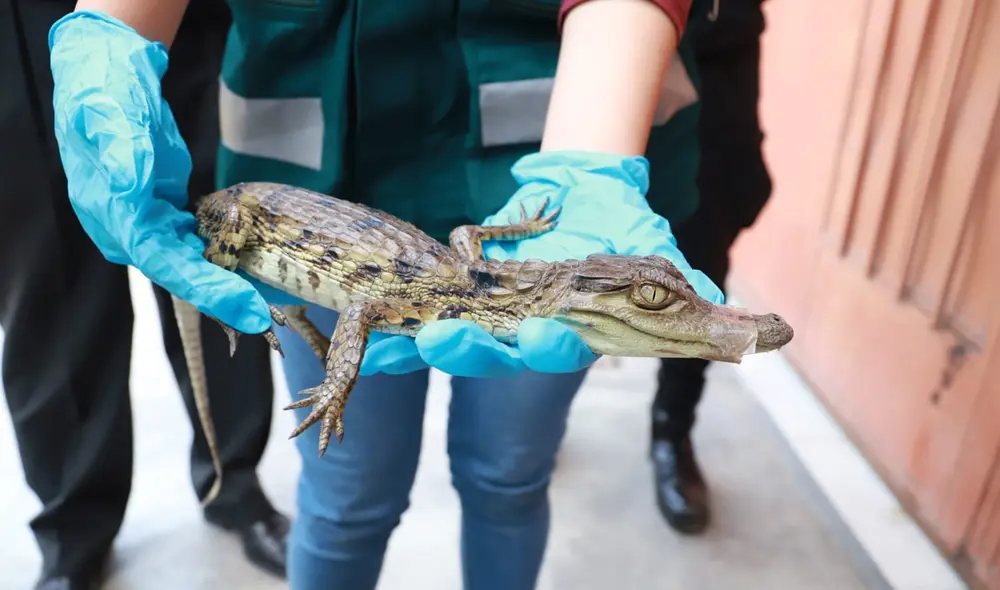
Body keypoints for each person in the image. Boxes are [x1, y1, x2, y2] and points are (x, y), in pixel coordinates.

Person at [46, 0, 728, 588]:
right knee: (346, 498)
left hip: (568, 141)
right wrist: (112, 24)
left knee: (510, 476)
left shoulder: (528, 282)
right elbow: (376, 303)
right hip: (303, 199)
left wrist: (587, 166)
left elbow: (447, 253)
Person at [0, 1, 290, 588]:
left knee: (215, 253)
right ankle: (74, 526)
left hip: (174, 20)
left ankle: (232, 479)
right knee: (48, 286)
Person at [649, 0, 772, 535]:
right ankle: (541, 420)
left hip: (710, 137)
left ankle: (670, 433)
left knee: (697, 305)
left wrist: (744, 161)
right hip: (582, 91)